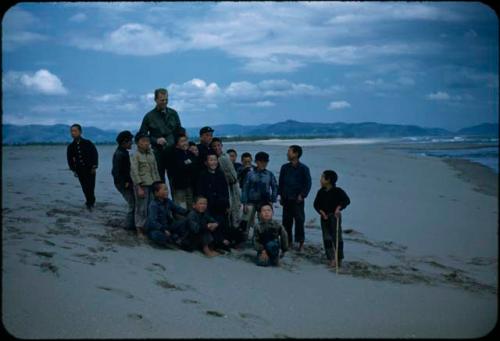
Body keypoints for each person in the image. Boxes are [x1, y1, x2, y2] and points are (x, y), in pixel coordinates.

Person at [138, 88, 182, 183]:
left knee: (176, 181)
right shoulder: (149, 117)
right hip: (157, 154)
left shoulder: (173, 113)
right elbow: (141, 136)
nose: (165, 102)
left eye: (166, 99)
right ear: (156, 100)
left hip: (173, 153)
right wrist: (155, 140)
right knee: (160, 183)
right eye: (162, 100)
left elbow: (180, 131)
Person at [313, 170, 350, 268]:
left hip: (335, 217)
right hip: (324, 217)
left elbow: (346, 200)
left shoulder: (338, 191)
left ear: (328, 180)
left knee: (337, 237)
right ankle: (331, 259)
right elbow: (316, 204)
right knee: (326, 237)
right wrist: (321, 212)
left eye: (322, 177)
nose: (320, 179)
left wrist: (339, 208)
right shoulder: (321, 192)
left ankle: (339, 258)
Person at [278, 145, 311, 252]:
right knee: (286, 221)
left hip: (298, 199)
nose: (287, 154)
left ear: (296, 154)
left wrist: (303, 195)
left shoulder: (304, 168)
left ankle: (300, 242)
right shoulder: (284, 167)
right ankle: (288, 241)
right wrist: (281, 196)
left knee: (299, 220)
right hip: (286, 198)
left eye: (289, 152)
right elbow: (281, 183)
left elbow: (308, 183)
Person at [196, 151, 232, 250]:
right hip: (208, 205)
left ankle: (223, 241)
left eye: (215, 160)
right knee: (212, 223)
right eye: (211, 160)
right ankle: (215, 242)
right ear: (206, 163)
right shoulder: (202, 175)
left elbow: (226, 191)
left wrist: (227, 204)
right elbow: (200, 192)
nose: (213, 162)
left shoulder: (220, 174)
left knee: (223, 223)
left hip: (221, 204)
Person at [240, 151, 278, 239]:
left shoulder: (269, 174)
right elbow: (245, 188)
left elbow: (275, 187)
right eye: (261, 161)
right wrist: (244, 203)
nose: (263, 164)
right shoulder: (250, 174)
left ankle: (260, 239)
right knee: (245, 221)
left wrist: (272, 200)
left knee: (265, 222)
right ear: (256, 162)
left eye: (265, 162)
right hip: (250, 201)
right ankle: (242, 239)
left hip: (265, 202)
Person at [130, 132, 161, 235]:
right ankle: (139, 230)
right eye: (143, 141)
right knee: (141, 208)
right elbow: (134, 172)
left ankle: (148, 227)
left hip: (153, 184)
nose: (146, 143)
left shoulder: (151, 153)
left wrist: (158, 183)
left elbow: (155, 169)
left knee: (151, 207)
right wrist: (138, 187)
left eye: (147, 141)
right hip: (142, 185)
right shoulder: (135, 155)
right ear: (137, 143)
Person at [145, 181, 190, 248]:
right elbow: (153, 222)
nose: (167, 191)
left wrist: (189, 212)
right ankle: (173, 239)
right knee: (156, 235)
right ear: (156, 193)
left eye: (167, 189)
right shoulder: (153, 205)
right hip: (158, 229)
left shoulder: (168, 201)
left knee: (185, 222)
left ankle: (175, 238)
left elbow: (178, 209)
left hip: (168, 226)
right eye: (165, 189)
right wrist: (163, 229)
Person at [210, 138, 241, 231]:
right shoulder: (214, 158)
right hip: (223, 188)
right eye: (214, 146)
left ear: (221, 146)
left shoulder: (224, 157)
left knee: (234, 211)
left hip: (231, 187)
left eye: (218, 145)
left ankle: (235, 233)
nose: (216, 147)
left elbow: (232, 176)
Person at [66, 123, 98, 210]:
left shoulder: (88, 143)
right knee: (84, 187)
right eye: (71, 131)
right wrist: (74, 170)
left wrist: (94, 166)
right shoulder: (71, 146)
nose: (73, 133)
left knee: (91, 187)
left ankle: (91, 202)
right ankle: (89, 202)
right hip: (80, 170)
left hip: (90, 169)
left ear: (80, 132)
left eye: (75, 131)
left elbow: (94, 154)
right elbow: (69, 160)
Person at [111, 130, 135, 230]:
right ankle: (128, 225)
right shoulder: (120, 154)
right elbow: (116, 172)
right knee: (132, 204)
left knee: (133, 203)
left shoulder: (123, 152)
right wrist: (124, 183)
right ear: (124, 142)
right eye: (130, 141)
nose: (132, 143)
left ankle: (131, 223)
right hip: (123, 184)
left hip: (125, 183)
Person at [170, 134, 198, 210]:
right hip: (179, 186)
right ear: (177, 143)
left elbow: (195, 164)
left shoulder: (190, 153)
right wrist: (188, 163)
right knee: (181, 207)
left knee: (190, 206)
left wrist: (187, 163)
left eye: (186, 140)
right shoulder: (174, 154)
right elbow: (179, 167)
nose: (185, 143)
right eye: (182, 141)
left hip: (190, 185)